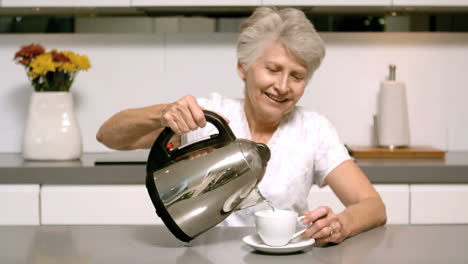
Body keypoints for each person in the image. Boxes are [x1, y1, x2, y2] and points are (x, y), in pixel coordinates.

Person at [96, 6, 386, 244]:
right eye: (272, 69)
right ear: (243, 67)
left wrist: (340, 224)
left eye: (297, 76)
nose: (282, 86)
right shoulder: (206, 117)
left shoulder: (313, 128)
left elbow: (373, 205)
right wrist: (163, 113)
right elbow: (109, 136)